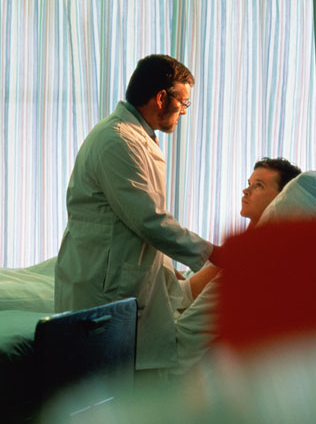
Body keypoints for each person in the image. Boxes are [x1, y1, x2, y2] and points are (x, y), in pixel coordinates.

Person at [54, 54, 217, 371]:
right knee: (103, 383)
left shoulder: (135, 138)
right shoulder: (118, 140)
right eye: (183, 103)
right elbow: (149, 220)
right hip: (104, 285)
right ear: (161, 98)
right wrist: (214, 254)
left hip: (119, 278)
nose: (184, 111)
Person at [170, 157, 305, 374]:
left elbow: (185, 296)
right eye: (249, 183)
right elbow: (189, 288)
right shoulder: (239, 248)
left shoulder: (250, 259)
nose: (245, 191)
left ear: (281, 199)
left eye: (258, 186)